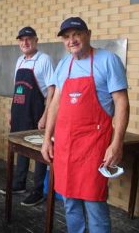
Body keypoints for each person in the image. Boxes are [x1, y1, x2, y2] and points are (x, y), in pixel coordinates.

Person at [41, 17, 129, 232]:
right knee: (69, 201)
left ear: (88, 34)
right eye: (67, 37)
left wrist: (116, 143)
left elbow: (121, 102)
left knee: (94, 202)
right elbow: (54, 104)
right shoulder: (64, 64)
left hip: (94, 145)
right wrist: (47, 140)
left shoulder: (108, 60)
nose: (72, 40)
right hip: (65, 145)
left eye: (76, 34)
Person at [0, 26, 55, 207]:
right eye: (21, 40)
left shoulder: (44, 60)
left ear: (36, 40)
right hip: (19, 112)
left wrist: (46, 115)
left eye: (29, 39)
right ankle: (19, 184)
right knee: (20, 149)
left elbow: (52, 90)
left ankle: (38, 191)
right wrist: (11, 111)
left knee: (40, 152)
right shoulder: (20, 61)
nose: (25, 42)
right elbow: (18, 88)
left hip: (37, 113)